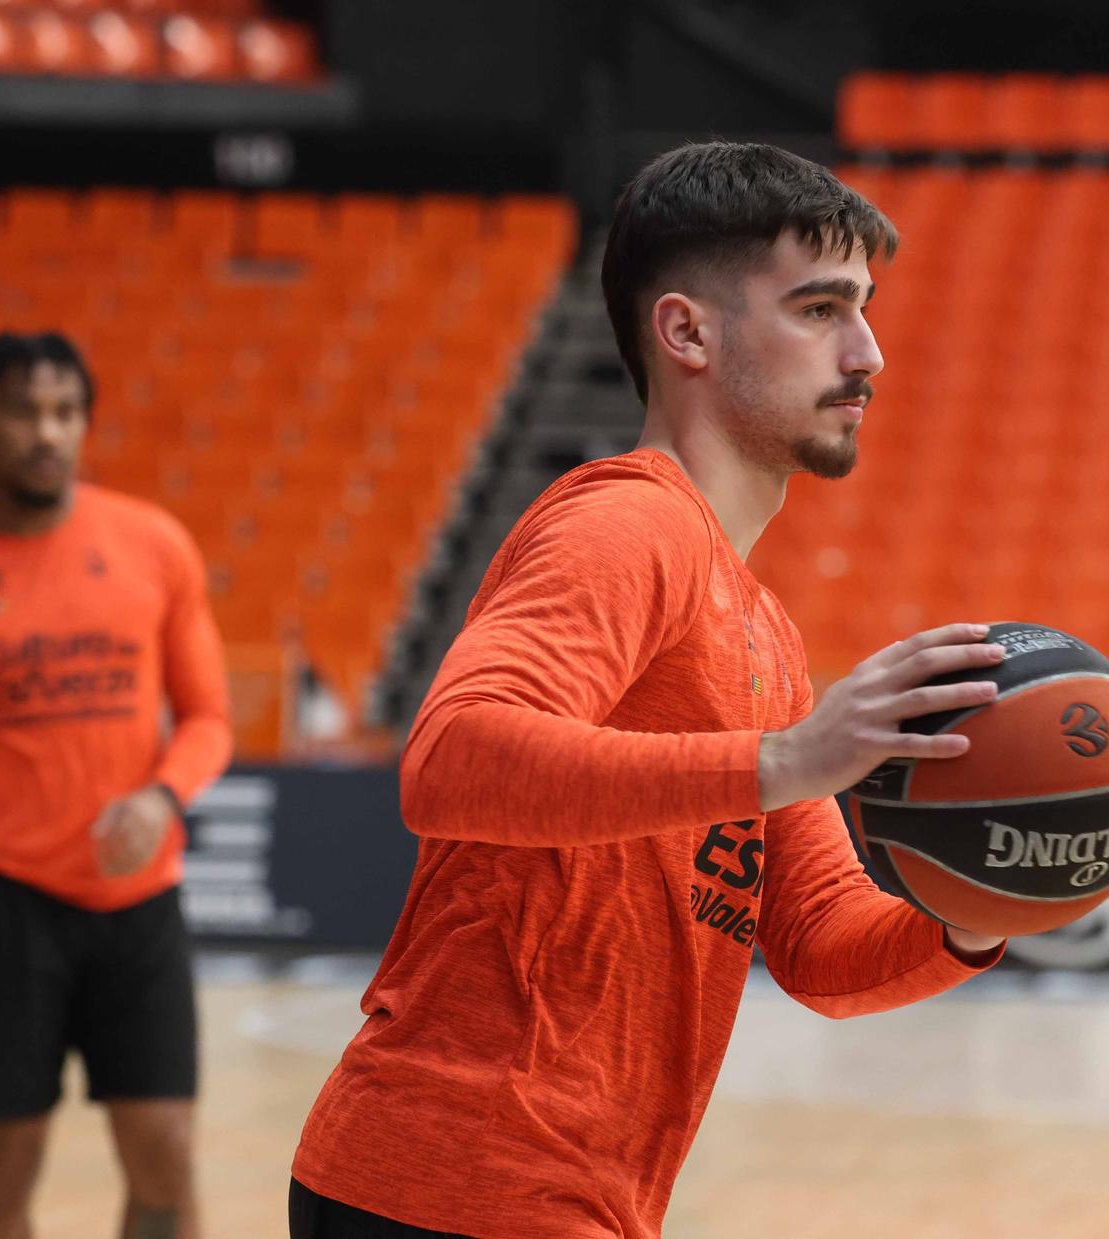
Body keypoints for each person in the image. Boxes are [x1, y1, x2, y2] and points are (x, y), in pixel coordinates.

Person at [289, 141, 1010, 1239]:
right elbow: (451, 761)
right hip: (454, 1185)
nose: (867, 352)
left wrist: (973, 913)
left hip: (563, 1198)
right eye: (820, 309)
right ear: (686, 333)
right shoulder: (627, 525)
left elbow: (819, 941)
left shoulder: (759, 625)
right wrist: (781, 759)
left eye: (865, 309)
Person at [0, 331, 233, 1239]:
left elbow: (208, 720)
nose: (47, 432)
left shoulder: (153, 545)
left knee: (167, 1152)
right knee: (3, 1175)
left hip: (137, 901)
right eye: (24, 411)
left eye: (66, 412)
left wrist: (160, 798)